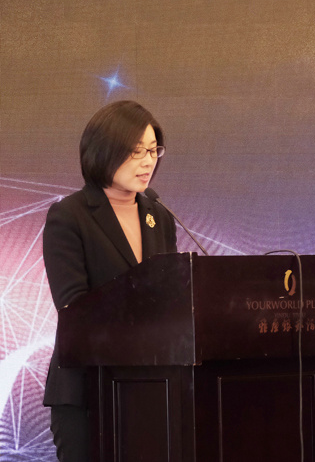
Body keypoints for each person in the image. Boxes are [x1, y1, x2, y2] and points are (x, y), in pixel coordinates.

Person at [42, 100, 177, 461]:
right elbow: (74, 307)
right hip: (87, 390)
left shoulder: (159, 215)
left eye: (153, 150)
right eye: (136, 152)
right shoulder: (69, 216)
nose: (148, 162)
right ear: (104, 151)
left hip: (151, 389)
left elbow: (173, 296)